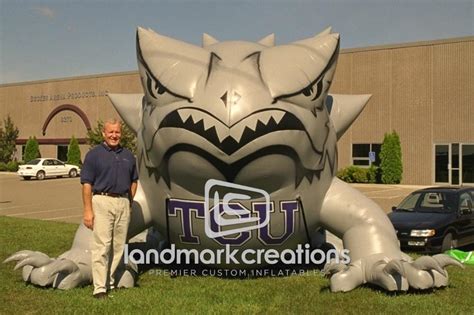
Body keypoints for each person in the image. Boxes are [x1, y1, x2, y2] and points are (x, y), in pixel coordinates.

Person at [81, 119, 138, 299]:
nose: (114, 135)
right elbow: (86, 185)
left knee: (118, 246)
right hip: (102, 201)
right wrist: (88, 210)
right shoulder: (94, 155)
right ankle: (99, 288)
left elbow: (134, 180)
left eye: (117, 132)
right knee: (102, 245)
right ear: (103, 134)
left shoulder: (128, 155)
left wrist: (129, 201)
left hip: (122, 202)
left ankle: (109, 282)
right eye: (111, 132)